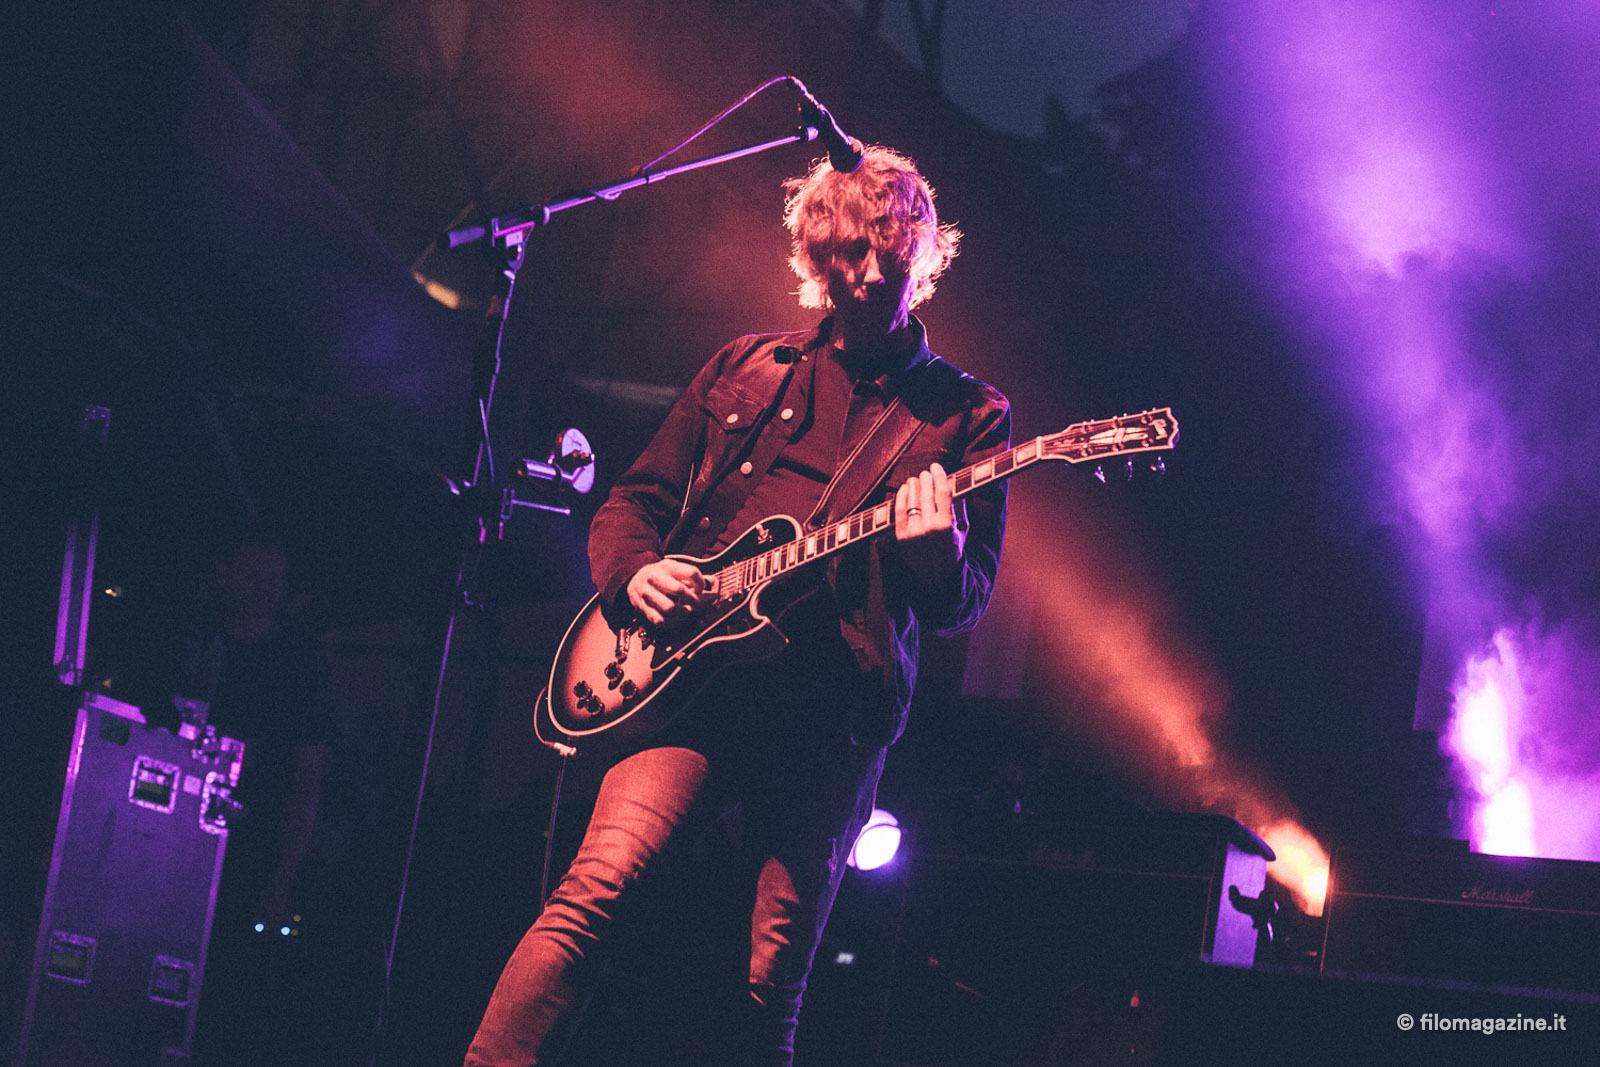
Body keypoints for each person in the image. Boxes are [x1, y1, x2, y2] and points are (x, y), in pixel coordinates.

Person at [465, 145, 1010, 1066]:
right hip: (689, 685)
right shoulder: (749, 367)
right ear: (818, 255)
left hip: (830, 715)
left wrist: (936, 550)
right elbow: (632, 501)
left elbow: (964, 601)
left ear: (920, 253)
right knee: (593, 895)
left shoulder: (966, 414)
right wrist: (634, 574)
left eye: (888, 251)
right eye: (849, 252)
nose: (869, 273)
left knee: (767, 980)